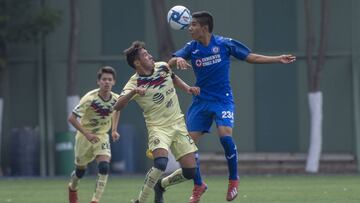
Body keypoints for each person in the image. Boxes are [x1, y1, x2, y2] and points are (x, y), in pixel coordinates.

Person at [168, 11, 296, 202]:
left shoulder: (224, 44)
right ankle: (198, 185)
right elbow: (170, 62)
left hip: (222, 99)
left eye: (193, 25)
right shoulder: (191, 47)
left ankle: (233, 180)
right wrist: (176, 60)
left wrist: (277, 58)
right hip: (201, 100)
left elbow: (251, 57)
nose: (190, 28)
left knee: (225, 135)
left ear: (204, 28)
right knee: (186, 147)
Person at [114, 41, 200, 203]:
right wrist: (133, 92)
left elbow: (173, 78)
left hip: (178, 124)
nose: (151, 56)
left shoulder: (162, 67)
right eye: (146, 55)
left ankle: (161, 185)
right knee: (160, 163)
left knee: (191, 172)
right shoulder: (134, 83)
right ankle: (140, 200)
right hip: (158, 128)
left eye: (149, 53)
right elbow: (117, 106)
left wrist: (188, 88)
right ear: (137, 62)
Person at [67, 66, 120, 203]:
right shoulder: (89, 98)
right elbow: (71, 118)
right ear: (98, 82)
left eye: (109, 79)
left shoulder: (116, 99)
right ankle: (72, 188)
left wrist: (114, 130)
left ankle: (95, 200)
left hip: (102, 136)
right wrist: (87, 134)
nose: (106, 82)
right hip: (84, 137)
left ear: (114, 82)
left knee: (104, 167)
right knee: (80, 172)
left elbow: (117, 110)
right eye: (104, 79)